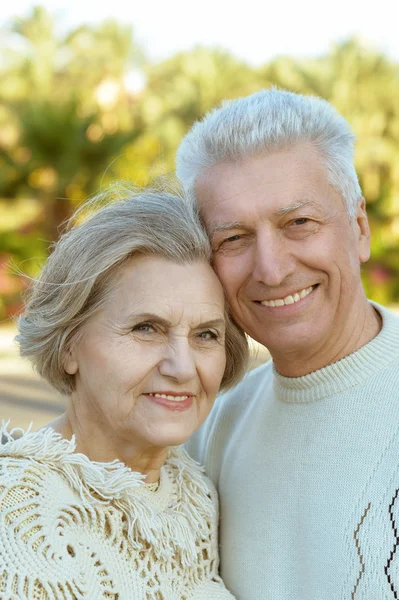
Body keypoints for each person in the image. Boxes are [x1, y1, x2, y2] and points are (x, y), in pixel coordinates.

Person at [176, 88, 399, 599]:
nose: (272, 269)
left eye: (299, 223)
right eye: (233, 239)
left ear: (360, 228)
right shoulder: (212, 426)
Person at [0, 185, 248, 600]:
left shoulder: (196, 494)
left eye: (206, 334)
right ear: (69, 346)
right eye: (146, 328)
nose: (182, 367)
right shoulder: (17, 514)